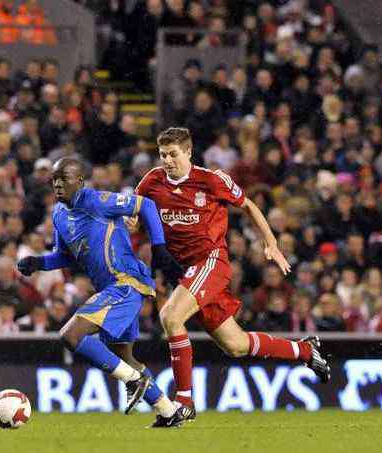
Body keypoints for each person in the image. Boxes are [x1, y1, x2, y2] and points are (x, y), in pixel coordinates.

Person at [133, 127, 330, 422]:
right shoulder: (152, 180)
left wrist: (271, 243)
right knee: (235, 345)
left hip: (211, 262)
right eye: (163, 155)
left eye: (173, 154)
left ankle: (183, 402)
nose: (168, 161)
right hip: (185, 273)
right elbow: (136, 214)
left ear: (188, 152)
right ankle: (304, 351)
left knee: (171, 317)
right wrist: (130, 222)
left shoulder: (211, 180)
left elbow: (248, 205)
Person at [17, 157, 187, 427]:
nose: (58, 184)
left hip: (126, 282)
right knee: (123, 358)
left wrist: (159, 248)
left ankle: (134, 380)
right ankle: (168, 412)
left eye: (64, 178)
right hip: (111, 289)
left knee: (71, 335)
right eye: (55, 180)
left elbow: (145, 205)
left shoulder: (97, 200)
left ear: (80, 181)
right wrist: (39, 263)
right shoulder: (59, 214)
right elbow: (66, 256)